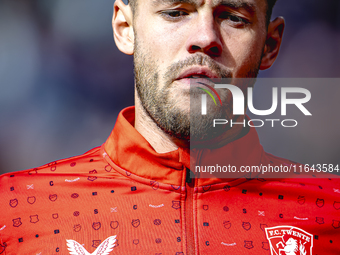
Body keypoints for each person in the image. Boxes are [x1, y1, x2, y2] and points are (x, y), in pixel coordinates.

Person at [1, 0, 339, 254]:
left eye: (234, 17)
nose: (205, 37)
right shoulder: (13, 207)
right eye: (176, 12)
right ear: (125, 28)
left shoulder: (331, 211)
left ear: (270, 45)